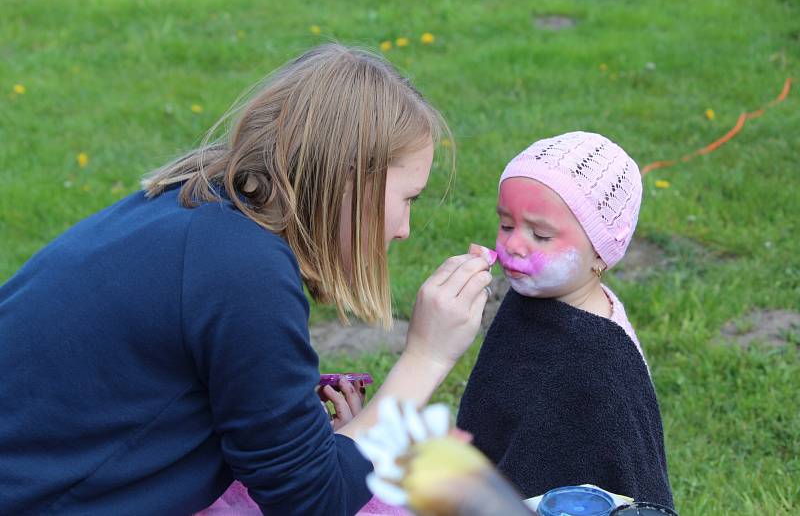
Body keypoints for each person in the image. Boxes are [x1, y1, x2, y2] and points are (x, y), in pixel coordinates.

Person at [0, 43, 492, 515]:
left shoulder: (192, 205)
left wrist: (298, 414)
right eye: (408, 198)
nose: (404, 229)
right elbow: (313, 503)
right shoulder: (243, 272)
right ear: (350, 178)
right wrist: (426, 357)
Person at [457, 131, 674, 508]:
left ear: (601, 253)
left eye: (540, 234)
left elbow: (632, 478)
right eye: (506, 225)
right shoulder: (529, 300)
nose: (513, 244)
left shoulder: (604, 363)